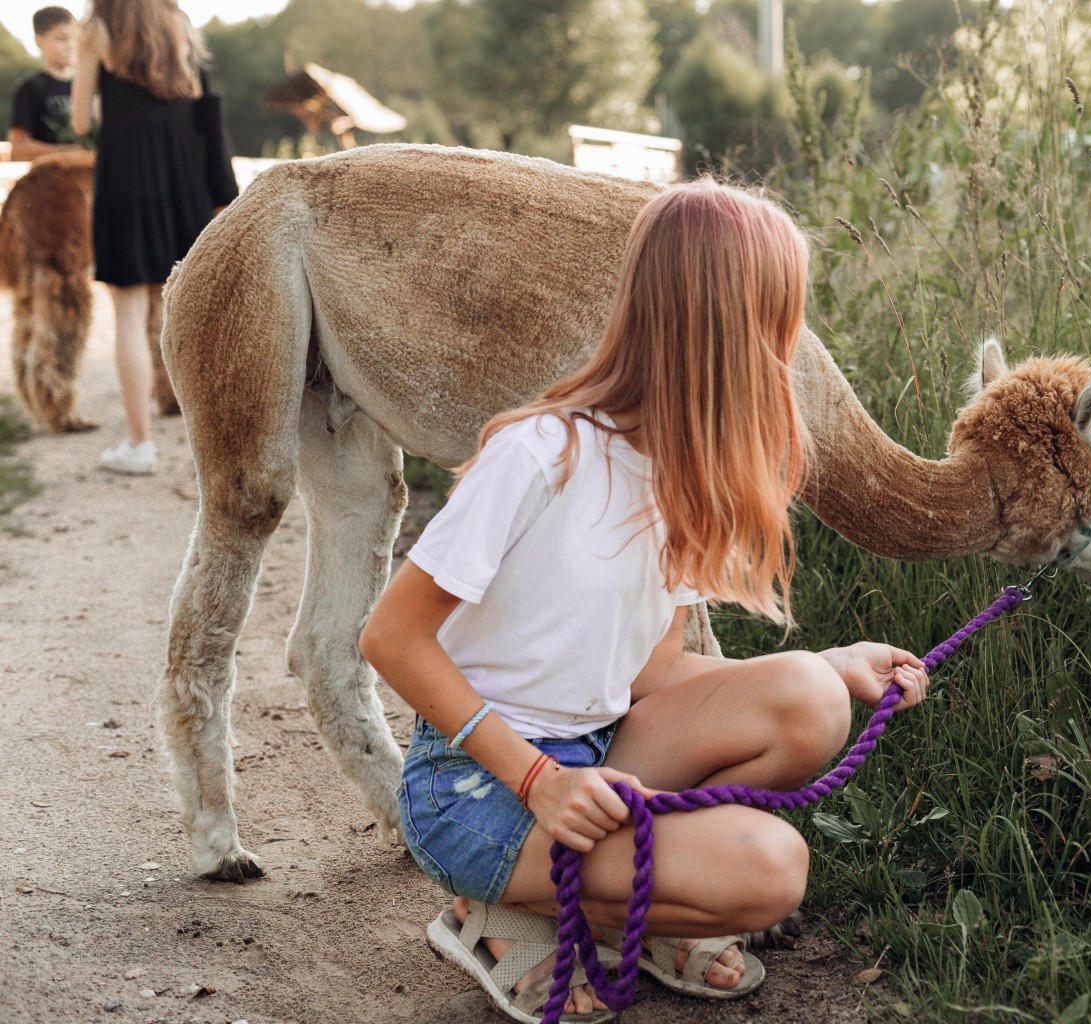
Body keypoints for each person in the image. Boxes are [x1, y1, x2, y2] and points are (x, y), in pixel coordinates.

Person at [360, 180, 932, 1023]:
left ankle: (633, 906)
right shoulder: (541, 453)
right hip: (476, 784)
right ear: (726, 332)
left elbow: (652, 668)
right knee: (769, 869)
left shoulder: (678, 477)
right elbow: (390, 639)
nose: (790, 352)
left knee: (810, 701)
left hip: (597, 754)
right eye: (781, 325)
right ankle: (499, 910)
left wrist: (829, 665)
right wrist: (539, 778)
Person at [70, 0, 225, 476]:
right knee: (194, 309)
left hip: (126, 174)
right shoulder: (176, 22)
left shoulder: (98, 27)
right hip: (182, 174)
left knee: (129, 311)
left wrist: (104, 105)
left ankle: (140, 446)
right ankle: (221, 443)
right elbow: (198, 100)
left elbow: (78, 121)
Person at [9, 7, 78, 162]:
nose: (71, 45)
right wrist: (71, 151)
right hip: (48, 178)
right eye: (61, 38)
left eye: (75, 38)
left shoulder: (92, 88)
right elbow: (20, 148)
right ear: (40, 41)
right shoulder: (31, 88)